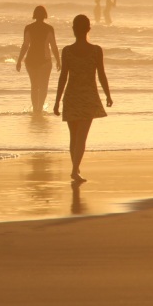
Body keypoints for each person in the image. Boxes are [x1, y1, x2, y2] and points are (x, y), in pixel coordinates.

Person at [53, 14, 112, 183]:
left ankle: (75, 168)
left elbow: (63, 77)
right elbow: (101, 74)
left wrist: (57, 101)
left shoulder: (67, 51)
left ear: (73, 30)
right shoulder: (96, 50)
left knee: (74, 137)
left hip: (71, 96)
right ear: (88, 29)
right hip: (88, 97)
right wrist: (108, 94)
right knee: (82, 137)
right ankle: (74, 170)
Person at [16, 5, 61, 115]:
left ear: (34, 15)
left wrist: (19, 60)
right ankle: (39, 108)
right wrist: (58, 60)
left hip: (30, 61)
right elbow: (54, 46)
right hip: (45, 61)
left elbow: (25, 45)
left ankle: (35, 109)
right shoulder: (49, 28)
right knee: (43, 86)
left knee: (34, 86)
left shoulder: (28, 28)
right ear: (45, 15)